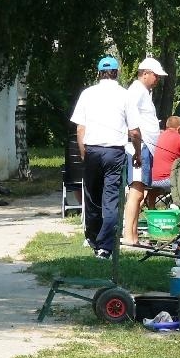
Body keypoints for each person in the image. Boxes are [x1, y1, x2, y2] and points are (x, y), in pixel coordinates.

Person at [69, 56, 138, 259]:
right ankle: (105, 247)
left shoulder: (87, 94)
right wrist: (139, 154)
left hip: (92, 151)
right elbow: (134, 131)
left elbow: (80, 128)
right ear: (116, 73)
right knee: (110, 199)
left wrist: (84, 153)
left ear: (99, 72)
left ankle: (92, 238)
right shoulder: (125, 96)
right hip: (115, 152)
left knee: (91, 197)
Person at [122, 57, 168, 246]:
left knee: (140, 194)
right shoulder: (136, 91)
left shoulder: (143, 92)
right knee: (136, 193)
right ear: (145, 73)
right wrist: (138, 149)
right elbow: (129, 119)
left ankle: (133, 235)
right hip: (138, 148)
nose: (157, 79)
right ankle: (129, 236)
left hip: (146, 147)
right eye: (155, 75)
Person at [149, 116, 180, 190]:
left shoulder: (159, 137)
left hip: (152, 180)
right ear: (179, 127)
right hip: (169, 180)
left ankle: (151, 202)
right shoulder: (179, 138)